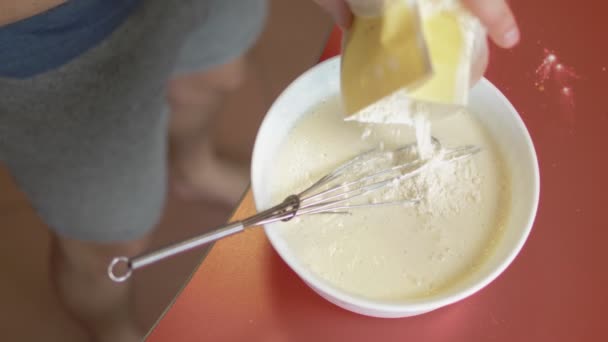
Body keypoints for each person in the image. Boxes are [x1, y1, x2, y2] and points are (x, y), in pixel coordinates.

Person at [0, 0, 519, 341]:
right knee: (107, 239)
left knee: (214, 75)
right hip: (52, 46)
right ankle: (112, 328)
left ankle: (194, 167)